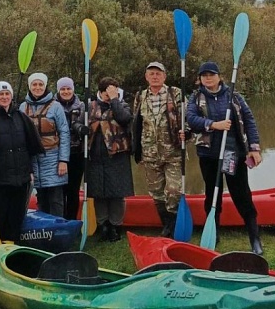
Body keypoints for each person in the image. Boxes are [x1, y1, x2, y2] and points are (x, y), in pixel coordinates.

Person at [186, 61, 264, 255]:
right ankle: (214, 235)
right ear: (200, 79)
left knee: (242, 195)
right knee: (212, 195)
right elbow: (191, 120)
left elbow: (249, 121)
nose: (208, 78)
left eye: (211, 74)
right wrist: (214, 124)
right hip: (208, 155)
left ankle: (255, 239)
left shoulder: (233, 97)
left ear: (219, 77)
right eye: (204, 76)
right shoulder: (195, 98)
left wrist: (254, 148)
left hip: (232, 153)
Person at [0, 82, 44, 242]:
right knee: (1, 211)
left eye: (7, 94)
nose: (4, 97)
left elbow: (28, 145)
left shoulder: (20, 116)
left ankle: (11, 241)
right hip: (0, 175)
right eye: (0, 95)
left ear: (11, 96)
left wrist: (29, 170)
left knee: (17, 212)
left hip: (20, 174)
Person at [131, 62, 184, 237]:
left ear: (164, 76)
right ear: (146, 77)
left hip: (173, 152)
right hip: (150, 153)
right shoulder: (140, 96)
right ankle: (167, 226)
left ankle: (173, 223)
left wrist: (187, 132)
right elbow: (136, 125)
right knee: (156, 192)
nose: (155, 76)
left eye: (158, 73)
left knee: (174, 190)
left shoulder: (175, 93)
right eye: (151, 73)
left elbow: (187, 117)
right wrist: (137, 151)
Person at [87, 77, 134, 242]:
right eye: (106, 93)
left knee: (116, 193)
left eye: (112, 92)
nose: (109, 95)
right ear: (100, 93)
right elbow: (78, 124)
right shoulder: (90, 107)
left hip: (117, 156)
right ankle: (103, 225)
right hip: (96, 157)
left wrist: (114, 99)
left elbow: (124, 119)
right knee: (99, 193)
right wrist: (80, 128)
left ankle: (116, 226)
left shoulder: (123, 105)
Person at [20, 73, 70, 217]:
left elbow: (64, 133)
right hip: (32, 158)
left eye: (40, 84)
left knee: (55, 198)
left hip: (53, 157)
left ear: (45, 86)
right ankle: (43, 229)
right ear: (29, 87)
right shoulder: (23, 107)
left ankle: (58, 228)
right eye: (34, 85)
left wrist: (63, 160)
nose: (37, 87)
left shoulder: (56, 107)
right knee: (41, 197)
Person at [55, 77, 88, 221]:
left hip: (77, 153)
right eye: (63, 89)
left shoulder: (82, 106)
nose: (66, 91)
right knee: (60, 190)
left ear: (73, 90)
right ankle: (60, 220)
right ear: (58, 90)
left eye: (68, 88)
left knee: (73, 190)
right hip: (58, 154)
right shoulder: (53, 106)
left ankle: (72, 220)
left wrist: (84, 130)